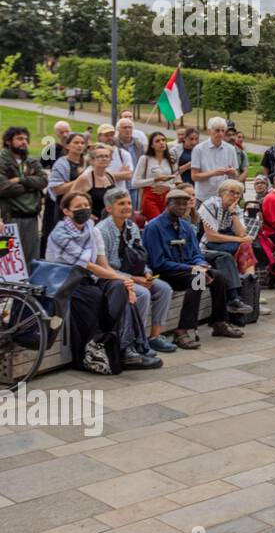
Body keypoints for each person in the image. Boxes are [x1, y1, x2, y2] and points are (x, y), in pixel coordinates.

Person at [46, 191, 148, 369]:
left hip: (88, 279)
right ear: (67, 211)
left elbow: (103, 264)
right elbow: (89, 266)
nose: (84, 210)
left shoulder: (92, 230)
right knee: (98, 297)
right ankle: (110, 348)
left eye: (86, 206)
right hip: (66, 282)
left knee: (118, 288)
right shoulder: (60, 233)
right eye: (78, 207)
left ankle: (125, 347)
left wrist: (125, 282)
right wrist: (124, 279)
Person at [143, 187, 244, 348]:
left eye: (185, 204)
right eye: (177, 203)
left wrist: (201, 264)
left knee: (218, 277)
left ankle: (219, 322)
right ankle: (182, 330)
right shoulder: (154, 227)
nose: (182, 207)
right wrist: (192, 269)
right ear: (167, 204)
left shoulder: (186, 227)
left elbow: (196, 253)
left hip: (190, 269)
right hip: (166, 272)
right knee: (197, 281)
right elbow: (158, 262)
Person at [96, 187, 176, 356]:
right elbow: (104, 267)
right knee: (142, 294)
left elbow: (140, 256)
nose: (127, 207)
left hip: (135, 274)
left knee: (164, 289)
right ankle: (134, 340)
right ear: (109, 208)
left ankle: (154, 337)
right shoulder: (102, 230)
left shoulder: (132, 227)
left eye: (129, 203)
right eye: (121, 204)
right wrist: (134, 279)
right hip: (111, 278)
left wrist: (146, 273)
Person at [196, 180, 257, 316]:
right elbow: (211, 237)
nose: (235, 196)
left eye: (238, 194)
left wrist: (233, 214)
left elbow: (242, 233)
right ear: (221, 193)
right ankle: (237, 297)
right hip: (204, 251)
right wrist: (240, 239)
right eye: (232, 192)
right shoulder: (210, 204)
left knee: (245, 247)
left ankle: (249, 294)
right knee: (227, 257)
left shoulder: (235, 209)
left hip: (220, 248)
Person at [0, 126, 47, 264]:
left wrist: (21, 180)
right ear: (8, 141)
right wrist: (31, 187)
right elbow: (3, 188)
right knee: (8, 262)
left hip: (32, 218)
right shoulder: (2, 162)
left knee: (31, 260)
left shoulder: (32, 162)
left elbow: (43, 181)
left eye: (26, 139)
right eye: (19, 139)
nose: (24, 142)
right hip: (10, 219)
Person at [44, 131, 87, 256]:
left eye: (82, 143)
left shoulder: (87, 163)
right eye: (76, 142)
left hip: (85, 207)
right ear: (67, 146)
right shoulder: (62, 163)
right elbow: (57, 189)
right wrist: (79, 180)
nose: (80, 145)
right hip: (66, 207)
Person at [190, 117, 240, 203]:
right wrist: (213, 173)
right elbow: (194, 176)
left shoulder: (231, 149)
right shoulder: (199, 149)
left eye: (223, 131)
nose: (220, 133)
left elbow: (235, 174)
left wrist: (232, 172)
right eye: (217, 130)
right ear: (209, 131)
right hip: (203, 197)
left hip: (223, 197)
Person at [133, 131, 179, 221]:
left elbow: (178, 182)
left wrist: (168, 187)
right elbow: (135, 183)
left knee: (168, 223)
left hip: (168, 197)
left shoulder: (171, 160)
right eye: (157, 141)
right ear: (152, 145)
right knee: (158, 222)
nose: (161, 143)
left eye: (163, 140)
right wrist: (155, 179)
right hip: (150, 196)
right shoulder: (145, 159)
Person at [70, 144, 117, 220]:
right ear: (92, 161)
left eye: (107, 156)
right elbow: (70, 199)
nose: (104, 159)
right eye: (100, 156)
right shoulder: (85, 178)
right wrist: (87, 215)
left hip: (109, 220)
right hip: (92, 221)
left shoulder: (110, 176)